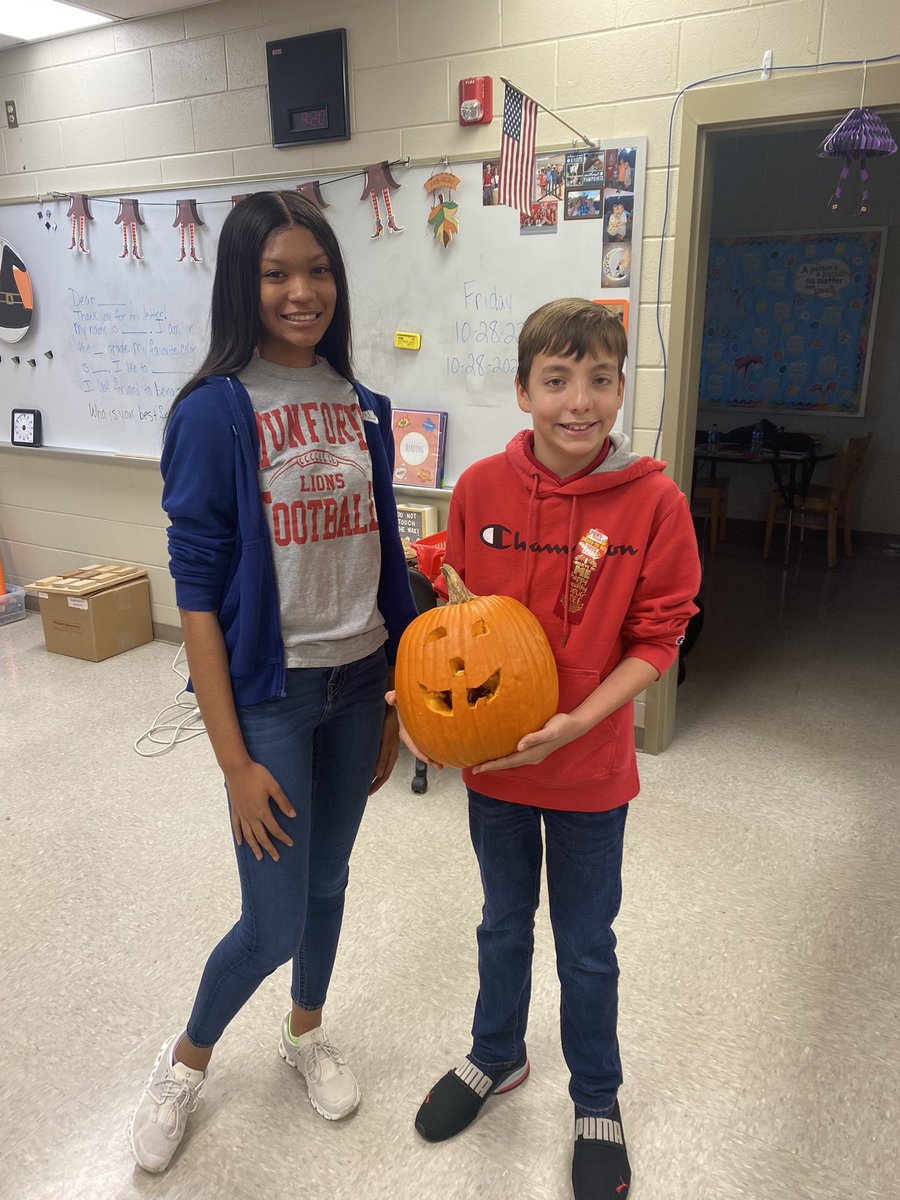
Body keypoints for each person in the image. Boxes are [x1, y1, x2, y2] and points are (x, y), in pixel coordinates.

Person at [129, 191, 417, 1173]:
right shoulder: (216, 412)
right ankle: (185, 1063)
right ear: (243, 287)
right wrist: (234, 760)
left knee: (327, 884)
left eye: (318, 271)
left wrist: (395, 702)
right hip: (275, 701)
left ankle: (304, 1032)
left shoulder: (362, 405)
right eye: (277, 274)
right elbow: (198, 600)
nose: (303, 293)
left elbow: (385, 558)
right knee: (271, 918)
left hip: (359, 681)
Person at [392, 299, 701, 1200]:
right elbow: (453, 612)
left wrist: (580, 722)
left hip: (590, 770)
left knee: (586, 943)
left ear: (619, 389)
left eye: (600, 379)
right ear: (523, 389)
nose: (579, 401)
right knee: (499, 921)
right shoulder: (482, 488)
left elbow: (660, 633)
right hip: (493, 766)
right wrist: (413, 702)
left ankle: (596, 1099)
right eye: (557, 380)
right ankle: (497, 1055)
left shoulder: (654, 502)